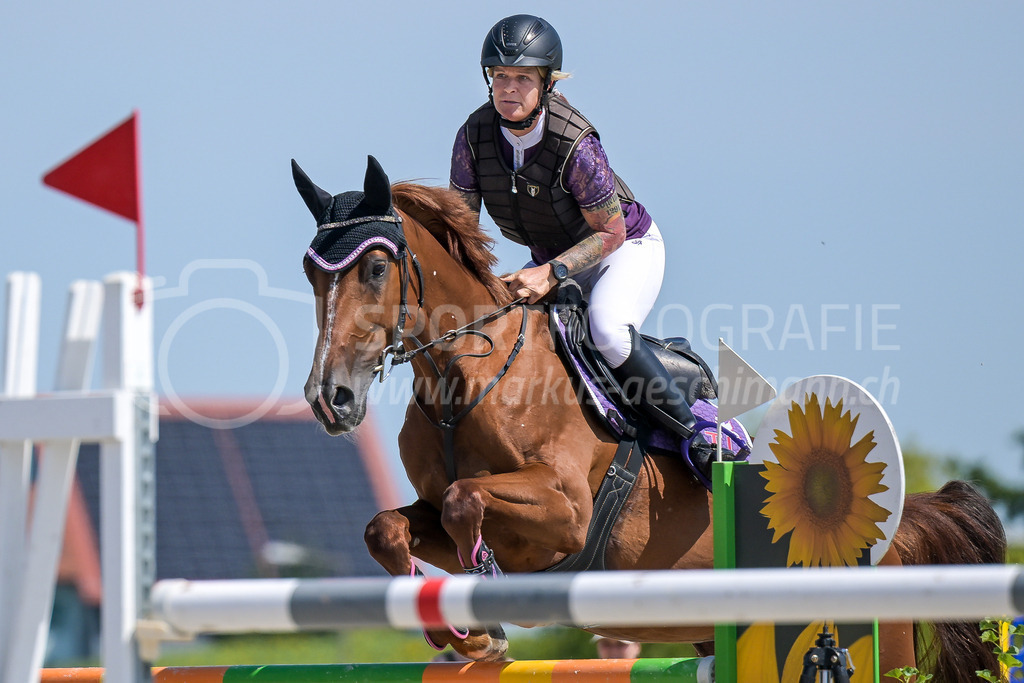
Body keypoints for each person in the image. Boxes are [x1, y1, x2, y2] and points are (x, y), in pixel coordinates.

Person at [449, 14, 706, 444]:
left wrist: (550, 272)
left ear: (547, 82)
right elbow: (461, 231)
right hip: (553, 257)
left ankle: (694, 435)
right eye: (499, 76)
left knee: (605, 328)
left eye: (522, 77)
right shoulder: (472, 138)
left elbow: (611, 234)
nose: (508, 87)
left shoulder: (576, 144)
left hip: (625, 247)